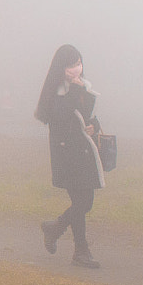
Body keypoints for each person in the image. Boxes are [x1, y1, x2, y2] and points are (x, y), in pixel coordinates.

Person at [35, 44, 106, 268]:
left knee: (84, 203)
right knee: (82, 202)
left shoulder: (81, 87)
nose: (77, 68)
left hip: (82, 152)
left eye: (79, 63)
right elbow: (62, 120)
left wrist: (95, 125)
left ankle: (57, 229)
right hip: (67, 156)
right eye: (72, 65)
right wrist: (76, 90)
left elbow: (87, 116)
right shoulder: (56, 93)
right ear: (61, 68)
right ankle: (80, 250)